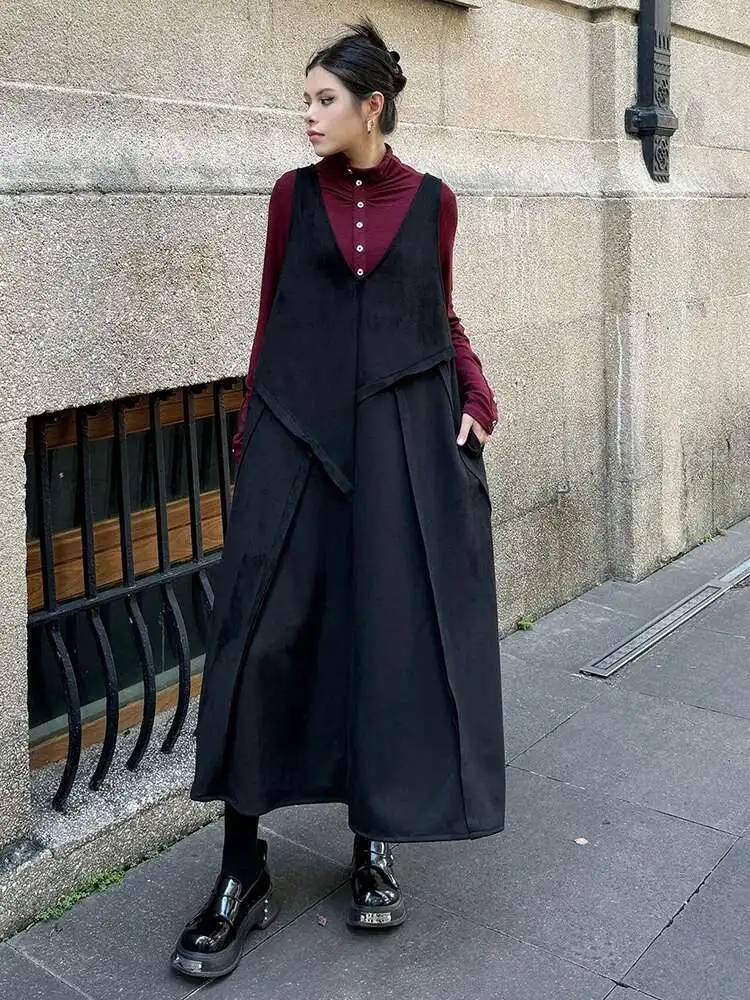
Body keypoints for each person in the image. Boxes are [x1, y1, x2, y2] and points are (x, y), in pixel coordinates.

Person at [171, 17, 505, 981]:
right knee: (260, 640)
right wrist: (251, 442)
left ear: (373, 106)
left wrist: (477, 396)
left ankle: (373, 839)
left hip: (398, 447)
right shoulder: (292, 197)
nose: (309, 117)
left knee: (386, 642)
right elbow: (269, 319)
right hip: (297, 440)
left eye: (324, 100)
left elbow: (440, 313)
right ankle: (242, 869)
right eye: (305, 101)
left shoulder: (434, 202)